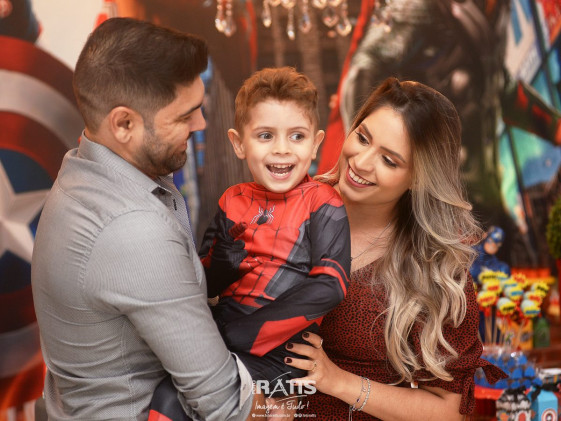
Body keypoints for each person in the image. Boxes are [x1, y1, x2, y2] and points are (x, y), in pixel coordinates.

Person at [31, 17, 258, 421]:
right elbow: (225, 406)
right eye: (185, 116)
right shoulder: (133, 228)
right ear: (124, 124)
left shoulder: (82, 168)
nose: (202, 124)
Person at [285, 77, 507, 420]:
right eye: (362, 138)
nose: (361, 162)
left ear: (418, 178)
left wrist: (337, 381)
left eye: (389, 160)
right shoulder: (287, 206)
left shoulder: (432, 266)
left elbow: (448, 411)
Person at [199, 67, 350, 397]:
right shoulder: (232, 199)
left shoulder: (322, 201)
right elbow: (202, 282)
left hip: (283, 356)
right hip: (222, 338)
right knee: (170, 389)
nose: (282, 149)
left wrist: (243, 333)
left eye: (297, 136)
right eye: (266, 136)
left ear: (315, 144)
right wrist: (223, 262)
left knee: (200, 389)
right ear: (239, 143)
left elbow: (331, 284)